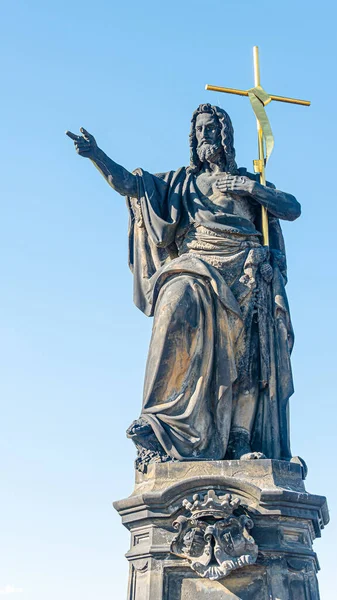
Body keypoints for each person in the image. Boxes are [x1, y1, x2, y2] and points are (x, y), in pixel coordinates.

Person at [66, 103, 301, 471]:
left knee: (248, 358)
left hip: (246, 269)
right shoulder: (183, 182)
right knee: (174, 302)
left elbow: (292, 207)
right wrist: (97, 155)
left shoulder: (248, 181)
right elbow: (131, 185)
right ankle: (160, 420)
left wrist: (250, 187)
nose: (204, 135)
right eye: (199, 130)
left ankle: (239, 439)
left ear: (225, 134)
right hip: (196, 263)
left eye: (211, 128)